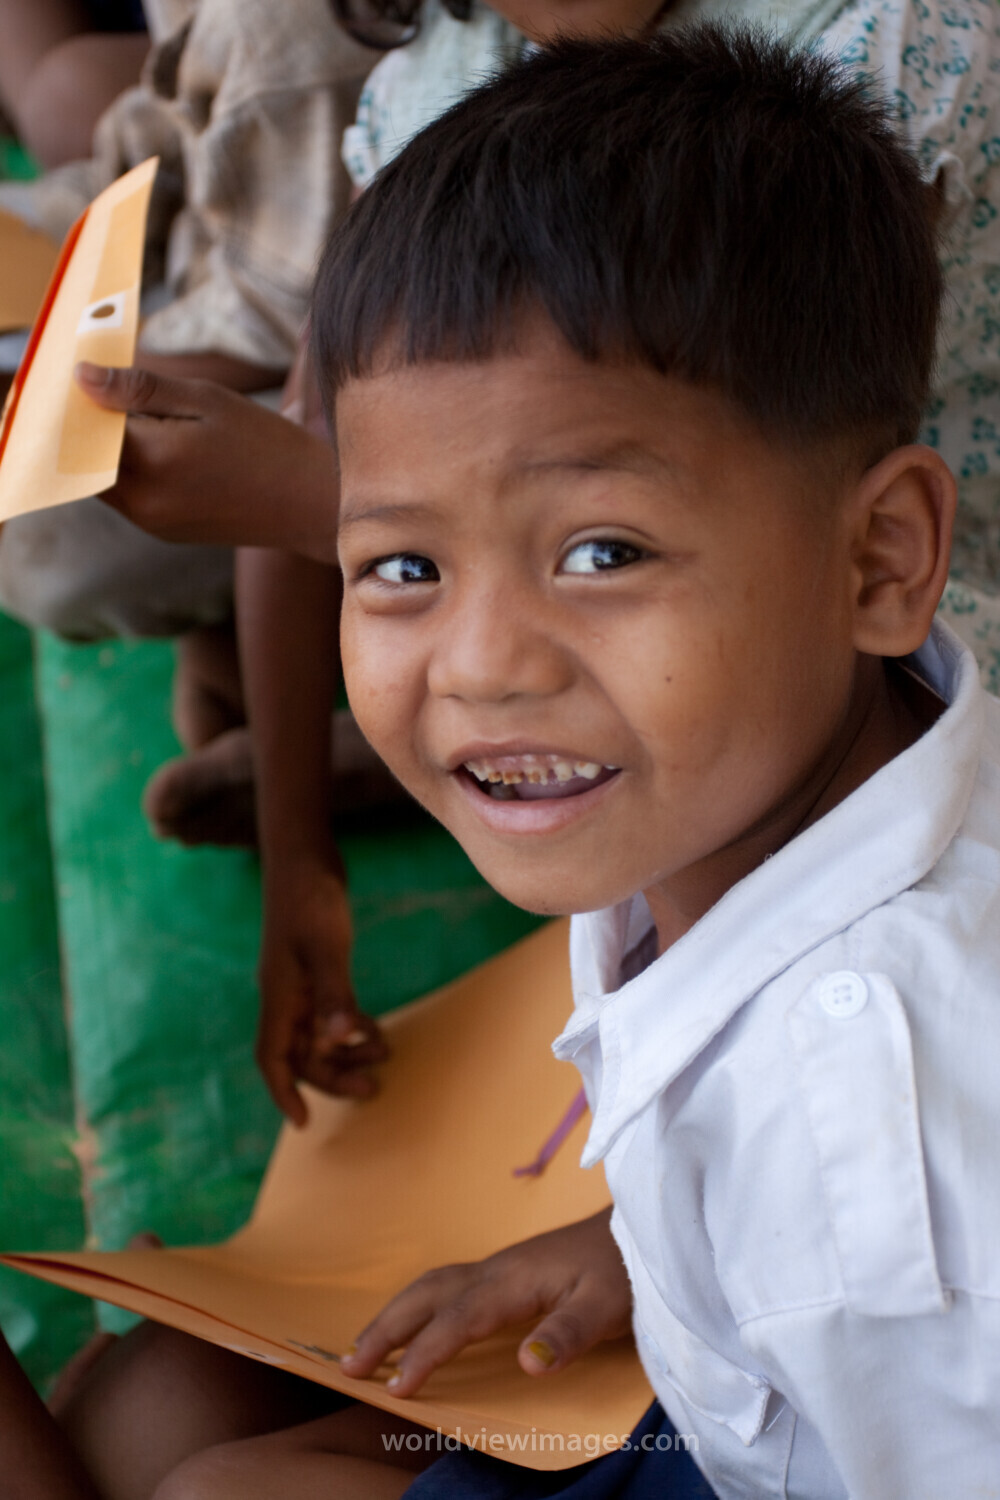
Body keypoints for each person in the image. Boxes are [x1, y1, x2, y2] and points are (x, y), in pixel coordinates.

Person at [4, 24, 998, 1497]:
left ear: (881, 557)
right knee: (148, 1401)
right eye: (401, 565)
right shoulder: (752, 793)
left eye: (601, 552)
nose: (480, 668)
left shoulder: (862, 1134)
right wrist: (640, 1250)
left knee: (200, 1477)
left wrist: (762, 1261)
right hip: (727, 1369)